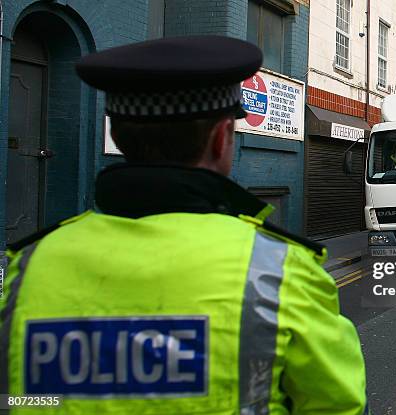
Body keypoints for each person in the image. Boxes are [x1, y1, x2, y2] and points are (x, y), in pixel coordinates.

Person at [0, 35, 367, 414]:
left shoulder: (29, 264)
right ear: (221, 138)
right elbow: (339, 405)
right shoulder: (278, 268)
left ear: (120, 136)